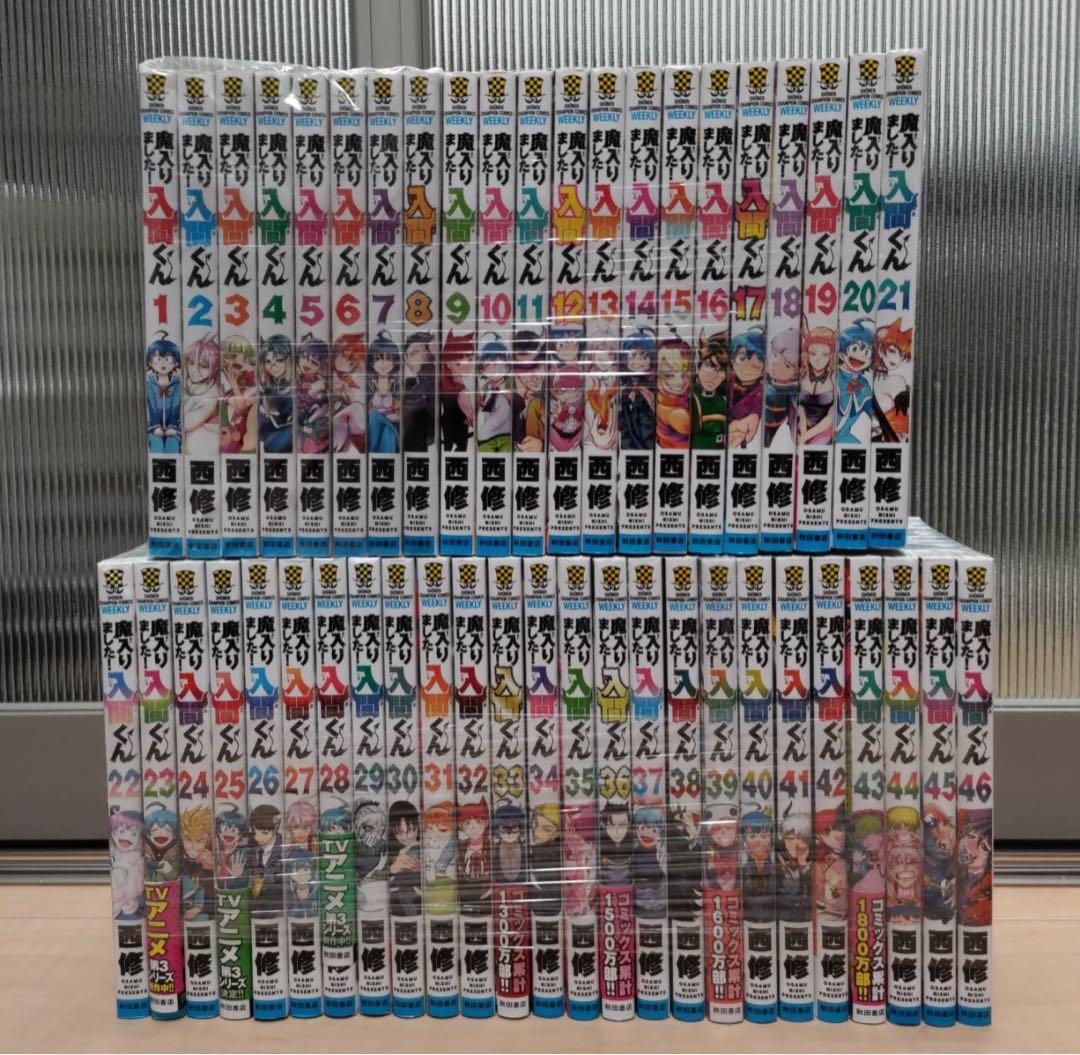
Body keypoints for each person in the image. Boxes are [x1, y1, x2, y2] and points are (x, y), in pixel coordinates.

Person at [145, 334, 182, 453]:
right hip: (153, 427)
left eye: (168, 359)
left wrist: (172, 426)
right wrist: (156, 426)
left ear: (176, 363)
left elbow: (176, 406)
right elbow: (151, 406)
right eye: (157, 359)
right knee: (156, 445)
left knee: (173, 445)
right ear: (150, 362)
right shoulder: (150, 384)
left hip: (174, 426)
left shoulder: (177, 385)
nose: (162, 364)